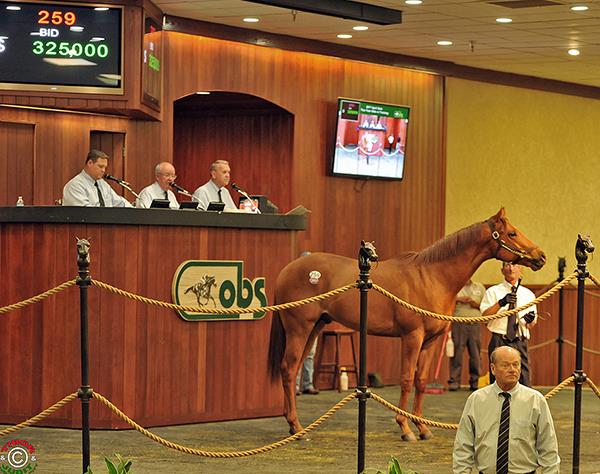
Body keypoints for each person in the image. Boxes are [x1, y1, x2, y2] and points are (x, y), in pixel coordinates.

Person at [453, 346, 560, 473]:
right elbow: (463, 446)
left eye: (516, 365)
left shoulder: (536, 400)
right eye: (505, 365)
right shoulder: (476, 400)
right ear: (493, 368)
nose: (512, 370)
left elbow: (548, 448)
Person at [480, 262, 537, 387]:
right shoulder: (493, 292)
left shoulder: (528, 294)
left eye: (514, 265)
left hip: (520, 339)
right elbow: (484, 318)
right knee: (497, 380)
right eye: (507, 265)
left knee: (524, 379)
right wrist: (501, 302)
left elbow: (532, 324)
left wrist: (529, 320)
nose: (511, 268)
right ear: (502, 270)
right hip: (499, 339)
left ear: (520, 269)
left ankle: (525, 406)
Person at [448, 279, 486, 391]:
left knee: (475, 355)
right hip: (458, 324)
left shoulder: (480, 287)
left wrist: (475, 304)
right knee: (457, 354)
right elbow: (445, 299)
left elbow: (486, 305)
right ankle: (454, 382)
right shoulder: (455, 285)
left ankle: (475, 382)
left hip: (475, 324)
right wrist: (459, 299)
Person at [62, 150, 132, 207]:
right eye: (100, 166)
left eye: (105, 167)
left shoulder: (103, 184)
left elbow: (119, 202)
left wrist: (134, 211)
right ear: (90, 163)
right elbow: (85, 212)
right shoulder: (75, 185)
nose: (103, 170)